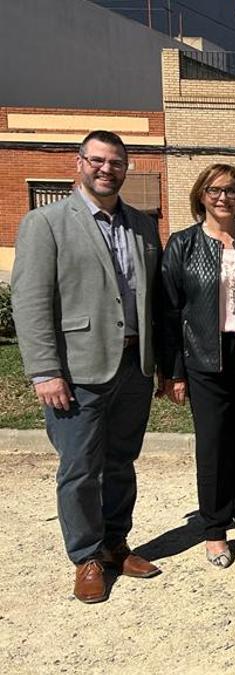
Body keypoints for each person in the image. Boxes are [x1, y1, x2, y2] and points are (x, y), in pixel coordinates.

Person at [12, 130, 163, 603]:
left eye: (116, 162)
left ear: (126, 168)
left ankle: (116, 543)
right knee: (79, 468)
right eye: (97, 160)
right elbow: (31, 301)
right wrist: (44, 370)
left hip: (132, 365)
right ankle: (86, 557)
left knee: (121, 462)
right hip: (76, 370)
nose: (106, 169)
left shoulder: (142, 224)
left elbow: (148, 297)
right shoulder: (47, 222)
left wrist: (157, 364)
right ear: (78, 164)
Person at [160, 164, 235, 568]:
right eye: (215, 190)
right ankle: (214, 528)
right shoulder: (183, 245)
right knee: (214, 446)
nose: (224, 197)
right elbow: (170, 313)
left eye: (232, 190)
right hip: (204, 357)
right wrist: (173, 371)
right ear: (201, 195)